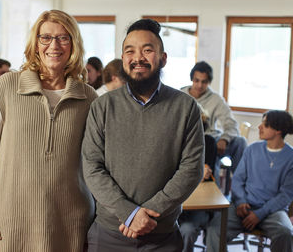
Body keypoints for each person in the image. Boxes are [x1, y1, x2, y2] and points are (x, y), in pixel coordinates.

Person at [0, 9, 97, 252]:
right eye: (46, 37)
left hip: (71, 219)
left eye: (63, 37)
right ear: (36, 42)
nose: (54, 45)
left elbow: (97, 160)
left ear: (74, 44)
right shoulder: (7, 86)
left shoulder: (88, 97)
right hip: (13, 219)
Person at [82, 18, 204, 251]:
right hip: (109, 233)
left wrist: (145, 214)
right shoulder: (102, 106)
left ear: (163, 58)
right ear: (123, 60)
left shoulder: (185, 107)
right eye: (130, 51)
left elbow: (191, 169)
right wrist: (128, 213)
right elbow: (91, 166)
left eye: (147, 50)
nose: (138, 58)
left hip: (161, 236)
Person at [206, 110, 293, 252]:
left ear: (278, 130)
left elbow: (285, 195)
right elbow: (238, 179)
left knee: (285, 232)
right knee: (215, 229)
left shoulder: (291, 157)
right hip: (244, 207)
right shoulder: (252, 149)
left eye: (265, 124)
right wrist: (240, 202)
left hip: (273, 211)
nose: (259, 127)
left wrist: (259, 214)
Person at [180, 61, 247, 176]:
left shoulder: (216, 99)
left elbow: (231, 124)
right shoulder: (180, 96)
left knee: (240, 142)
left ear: (209, 82)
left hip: (211, 140)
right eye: (197, 80)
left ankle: (239, 185)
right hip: (188, 141)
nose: (200, 85)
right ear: (192, 79)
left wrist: (224, 139)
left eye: (204, 82)